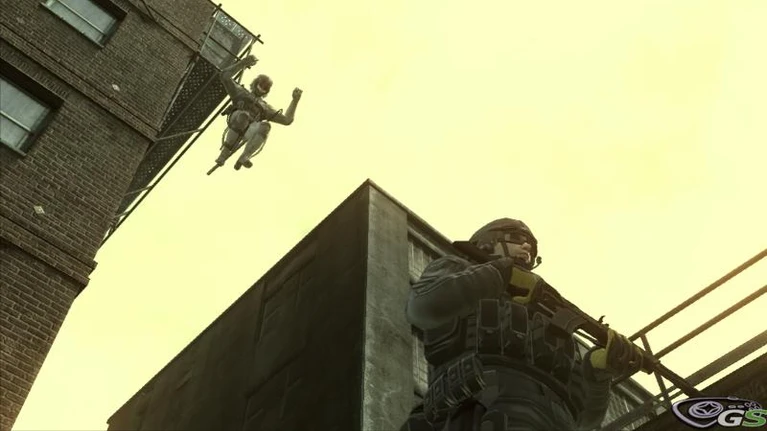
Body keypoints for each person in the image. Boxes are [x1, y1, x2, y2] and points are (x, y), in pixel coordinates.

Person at [401, 218, 645, 431]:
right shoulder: (459, 269)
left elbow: (585, 420)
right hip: (479, 406)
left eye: (532, 245)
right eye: (517, 238)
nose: (527, 246)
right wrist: (501, 274)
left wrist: (598, 373)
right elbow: (422, 308)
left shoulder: (550, 314)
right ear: (487, 243)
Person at [215, 54, 302, 170]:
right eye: (262, 84)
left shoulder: (265, 107)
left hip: (250, 128)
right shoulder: (241, 92)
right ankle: (224, 153)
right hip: (237, 119)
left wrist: (295, 100)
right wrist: (243, 63)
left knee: (266, 126)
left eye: (266, 87)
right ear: (255, 83)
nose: (262, 88)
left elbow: (287, 120)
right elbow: (224, 76)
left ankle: (245, 157)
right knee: (244, 116)